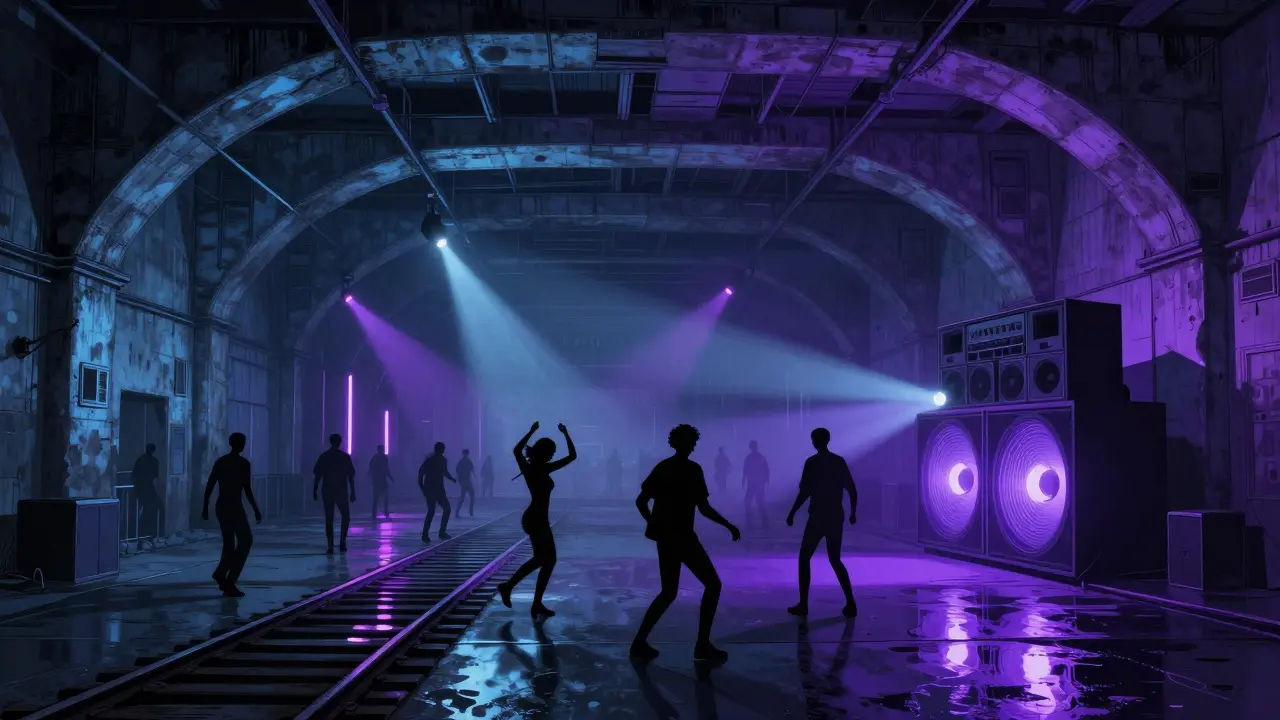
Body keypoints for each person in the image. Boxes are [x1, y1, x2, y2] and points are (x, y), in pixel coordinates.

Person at [631, 424, 740, 663]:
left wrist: (654, 523)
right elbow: (704, 508)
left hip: (665, 537)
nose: (693, 445)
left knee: (668, 591)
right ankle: (702, 645)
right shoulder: (692, 470)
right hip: (683, 536)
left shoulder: (662, 467)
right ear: (687, 443)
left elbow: (640, 501)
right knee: (713, 585)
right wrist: (728, 525)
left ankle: (639, 642)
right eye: (692, 441)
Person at [497, 422, 577, 618]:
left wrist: (532, 431)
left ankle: (533, 602)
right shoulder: (541, 469)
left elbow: (517, 450)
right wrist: (566, 434)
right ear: (546, 453)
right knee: (545, 559)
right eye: (551, 452)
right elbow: (572, 456)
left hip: (536, 518)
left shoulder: (533, 467)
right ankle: (510, 587)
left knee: (546, 560)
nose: (552, 455)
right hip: (536, 519)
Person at [785, 428, 858, 618]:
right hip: (835, 515)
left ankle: (804, 604)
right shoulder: (838, 461)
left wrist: (792, 512)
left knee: (804, 558)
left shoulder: (812, 463)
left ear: (814, 442)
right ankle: (850, 602)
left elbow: (805, 492)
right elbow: (852, 489)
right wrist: (853, 512)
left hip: (818, 517)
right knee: (835, 559)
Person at [202, 432, 262, 597]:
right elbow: (247, 489)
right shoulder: (243, 464)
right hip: (234, 506)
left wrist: (205, 506)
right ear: (241, 444)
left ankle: (223, 574)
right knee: (246, 540)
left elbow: (210, 484)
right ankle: (228, 579)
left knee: (229, 543)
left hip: (221, 505)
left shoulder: (221, 462)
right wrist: (256, 509)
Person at [313, 434, 356, 554]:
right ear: (340, 442)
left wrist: (315, 490)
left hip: (327, 490)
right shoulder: (344, 457)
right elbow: (351, 476)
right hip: (341, 491)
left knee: (329, 517)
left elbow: (318, 475)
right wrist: (353, 491)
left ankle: (330, 545)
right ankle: (342, 542)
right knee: (345, 517)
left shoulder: (324, 456)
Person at [418, 442, 456, 541]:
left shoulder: (431, 460)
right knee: (445, 509)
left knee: (432, 511)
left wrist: (422, 487)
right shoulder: (438, 460)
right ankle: (440, 532)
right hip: (436, 489)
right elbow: (444, 472)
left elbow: (421, 473)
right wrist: (451, 478)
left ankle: (426, 534)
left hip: (432, 489)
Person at [132, 443, 164, 542]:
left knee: (145, 511)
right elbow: (156, 477)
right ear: (153, 451)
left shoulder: (140, 460)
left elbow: (134, 475)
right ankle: (153, 534)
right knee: (157, 509)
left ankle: (143, 535)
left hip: (140, 489)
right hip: (149, 490)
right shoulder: (154, 461)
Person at [742, 440, 770, 529]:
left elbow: (745, 470)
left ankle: (751, 523)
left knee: (749, 502)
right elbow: (766, 469)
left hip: (754, 484)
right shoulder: (760, 457)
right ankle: (762, 522)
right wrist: (766, 480)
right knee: (758, 503)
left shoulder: (750, 457)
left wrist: (743, 480)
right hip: (757, 483)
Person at [369, 445, 393, 521]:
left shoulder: (376, 458)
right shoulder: (380, 458)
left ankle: (377, 513)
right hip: (380, 480)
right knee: (380, 497)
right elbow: (386, 469)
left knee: (381, 497)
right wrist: (391, 477)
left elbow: (385, 469)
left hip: (379, 480)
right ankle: (382, 512)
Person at [456, 449, 477, 517]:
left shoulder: (466, 461)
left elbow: (472, 469)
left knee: (471, 495)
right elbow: (458, 470)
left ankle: (470, 511)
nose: (466, 455)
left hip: (466, 480)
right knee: (463, 497)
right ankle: (458, 512)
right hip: (464, 481)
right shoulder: (463, 461)